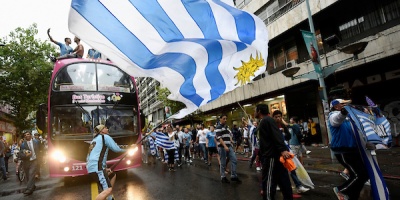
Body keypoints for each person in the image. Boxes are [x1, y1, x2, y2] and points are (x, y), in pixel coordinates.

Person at [329, 99, 369, 200]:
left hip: (353, 149)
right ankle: (342, 190)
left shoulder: (349, 117)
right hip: (343, 150)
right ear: (336, 106)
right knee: (361, 175)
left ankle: (351, 196)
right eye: (343, 104)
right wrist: (344, 111)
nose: (346, 105)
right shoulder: (333, 115)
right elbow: (336, 120)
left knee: (359, 175)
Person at [255, 104, 293, 200]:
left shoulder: (266, 120)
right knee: (282, 180)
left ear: (259, 111)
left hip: (271, 157)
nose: (254, 112)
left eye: (255, 110)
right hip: (273, 155)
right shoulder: (266, 121)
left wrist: (282, 149)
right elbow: (266, 140)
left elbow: (276, 135)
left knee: (268, 181)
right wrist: (259, 154)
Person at [272, 111, 309, 194]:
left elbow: (288, 136)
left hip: (285, 151)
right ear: (273, 117)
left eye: (279, 116)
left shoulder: (283, 126)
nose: (278, 118)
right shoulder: (272, 126)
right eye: (276, 117)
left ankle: (298, 186)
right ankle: (277, 184)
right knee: (278, 170)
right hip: (276, 152)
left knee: (291, 168)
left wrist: (283, 132)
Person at [87, 125, 126, 200]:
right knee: (108, 190)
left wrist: (104, 168)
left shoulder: (94, 140)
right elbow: (117, 149)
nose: (107, 129)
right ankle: (108, 194)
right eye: (105, 128)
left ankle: (109, 198)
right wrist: (130, 148)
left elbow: (90, 156)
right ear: (101, 131)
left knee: (112, 175)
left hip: (92, 167)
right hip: (97, 167)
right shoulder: (105, 137)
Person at [216, 114, 241, 183]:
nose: (225, 120)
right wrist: (224, 146)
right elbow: (219, 138)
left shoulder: (226, 127)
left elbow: (228, 136)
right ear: (220, 119)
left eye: (226, 118)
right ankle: (223, 177)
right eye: (224, 119)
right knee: (223, 162)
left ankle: (233, 175)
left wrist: (232, 141)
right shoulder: (218, 127)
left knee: (234, 159)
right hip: (222, 147)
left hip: (229, 146)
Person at [18, 131, 42, 195]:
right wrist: (26, 155)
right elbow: (20, 153)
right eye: (25, 135)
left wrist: (41, 158)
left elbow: (41, 150)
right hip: (27, 161)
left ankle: (29, 189)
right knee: (28, 176)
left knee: (31, 173)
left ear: (31, 135)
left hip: (34, 160)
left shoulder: (37, 142)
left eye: (28, 134)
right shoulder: (23, 144)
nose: (26, 136)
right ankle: (33, 186)